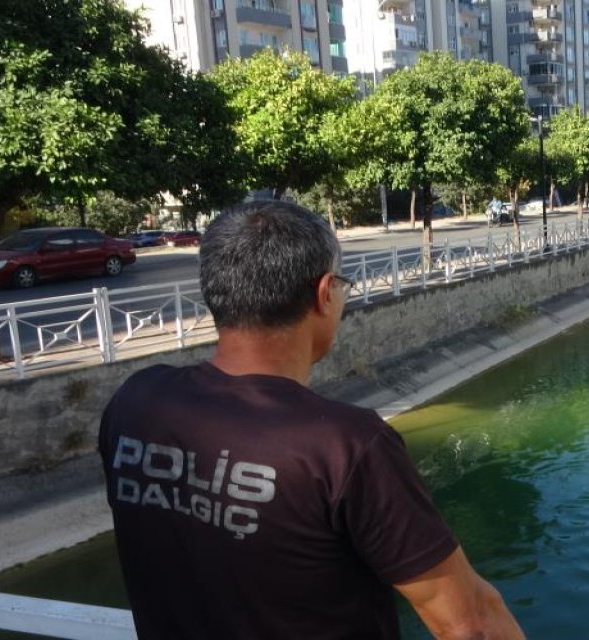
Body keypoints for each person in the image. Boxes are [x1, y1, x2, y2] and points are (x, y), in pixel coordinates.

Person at [98, 201, 524, 640]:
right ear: (324, 294)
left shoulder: (135, 402)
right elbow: (472, 624)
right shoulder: (347, 447)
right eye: (342, 286)